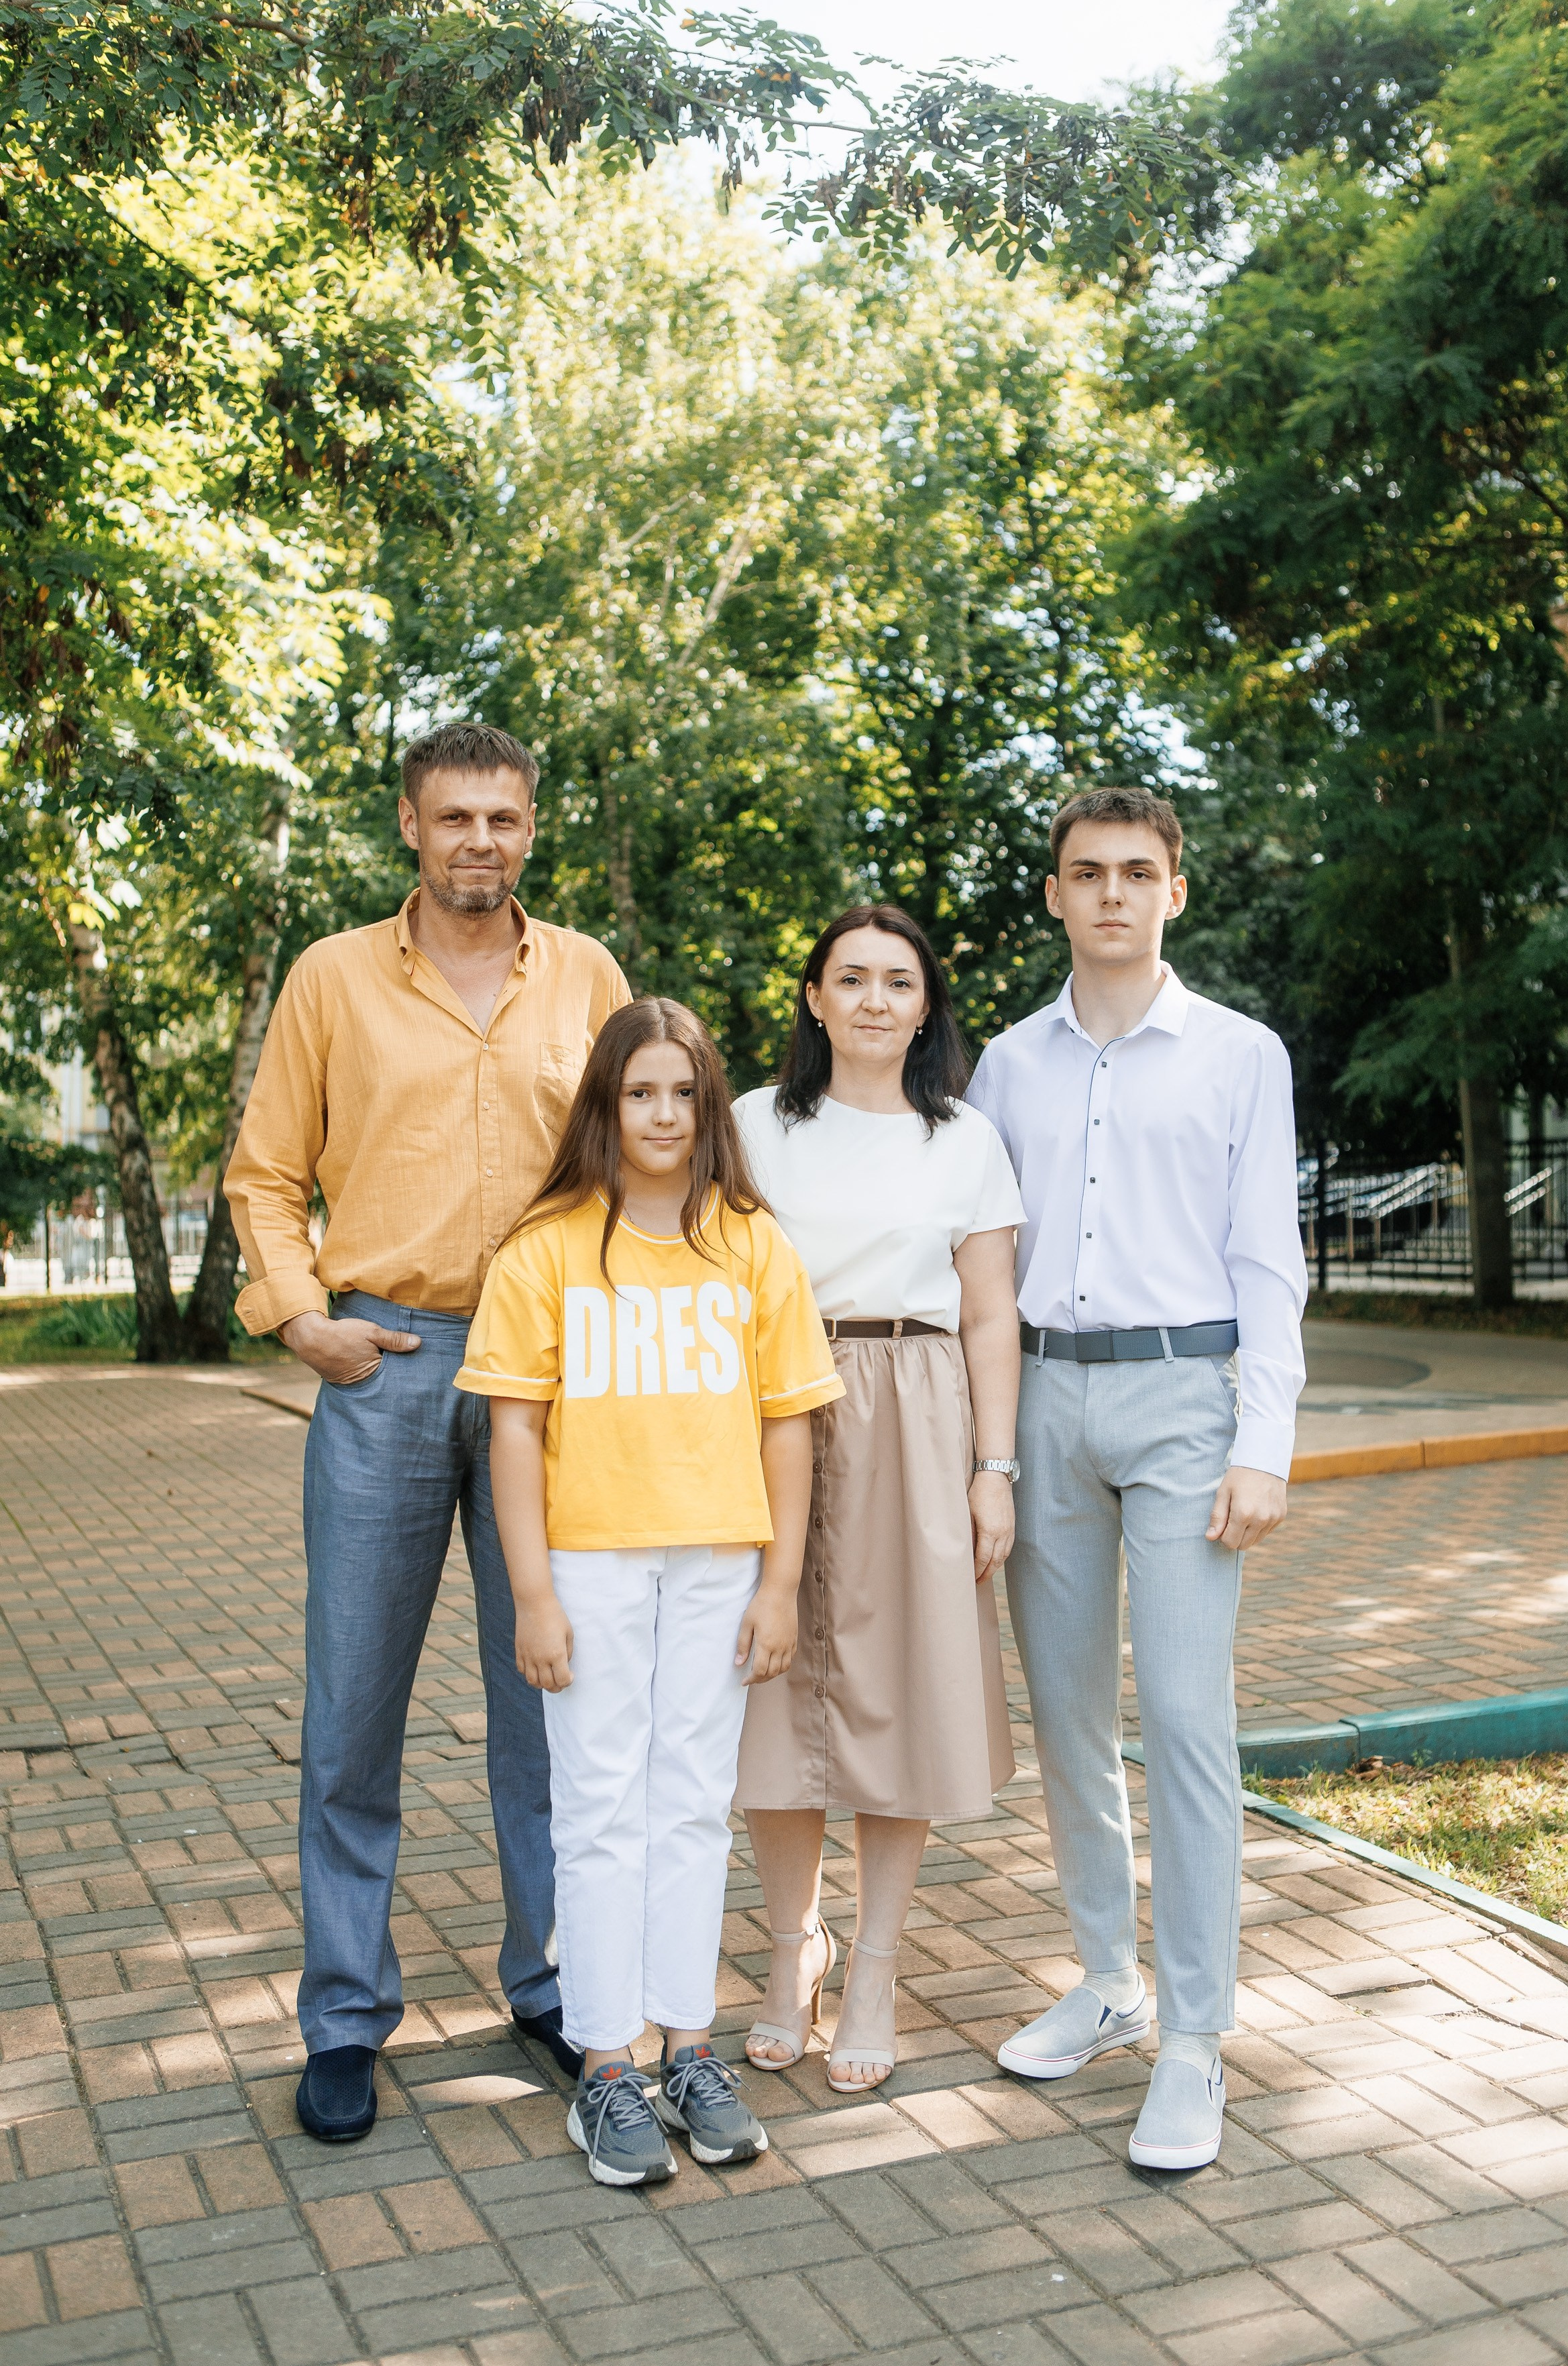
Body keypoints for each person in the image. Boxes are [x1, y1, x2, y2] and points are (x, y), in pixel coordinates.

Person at [225, 720, 630, 2143]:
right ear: (410, 822)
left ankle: (558, 1986)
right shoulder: (332, 976)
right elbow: (264, 1173)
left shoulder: (586, 976)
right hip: (383, 1365)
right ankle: (344, 2015)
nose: (479, 840)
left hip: (551, 1378)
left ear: (531, 826)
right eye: (454, 815)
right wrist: (302, 1319)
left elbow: (640, 1157)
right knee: (351, 1713)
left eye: (502, 817)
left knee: (552, 1704)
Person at [966, 786, 1306, 2172]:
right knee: (1063, 1714)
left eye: (1133, 870)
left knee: (1181, 1716)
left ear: (1173, 888)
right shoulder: (1004, 1064)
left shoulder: (1238, 1053)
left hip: (1183, 1400)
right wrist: (984, 1450)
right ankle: (1108, 1982)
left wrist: (1262, 1441)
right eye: (1085, 871)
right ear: (1053, 893)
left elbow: (1266, 1257)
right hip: (1043, 1396)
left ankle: (1194, 2037)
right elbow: (977, 1263)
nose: (1109, 891)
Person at [457, 998, 844, 2187]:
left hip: (720, 1565)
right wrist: (532, 1594)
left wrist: (779, 1584)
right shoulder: (547, 1248)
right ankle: (605, 2065)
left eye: (684, 1093)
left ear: (709, 1105)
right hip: (590, 1565)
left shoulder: (751, 1244)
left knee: (689, 1805)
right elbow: (512, 1434)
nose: (664, 1115)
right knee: (597, 1806)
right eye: (640, 1093)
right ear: (606, 1106)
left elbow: (787, 1427)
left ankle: (686, 2048)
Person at [733, 906, 1024, 2092]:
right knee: (771, 1687)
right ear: (812, 998)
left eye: (896, 981)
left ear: (924, 1005)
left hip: (915, 1405)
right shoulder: (751, 1125)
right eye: (848, 978)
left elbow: (991, 1314)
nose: (871, 1000)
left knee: (902, 1687)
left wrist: (993, 1468)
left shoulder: (965, 1139)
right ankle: (790, 1946)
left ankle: (876, 1968)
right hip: (773, 1406)